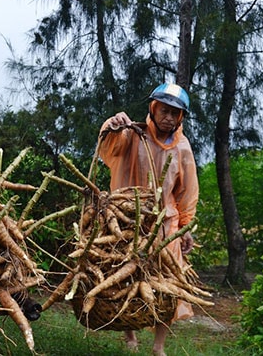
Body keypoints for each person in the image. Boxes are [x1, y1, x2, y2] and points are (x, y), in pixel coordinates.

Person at [97, 83, 199, 356]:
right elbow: (108, 146)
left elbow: (187, 189)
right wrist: (113, 123)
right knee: (124, 278)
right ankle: (129, 335)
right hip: (127, 217)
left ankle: (158, 346)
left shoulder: (183, 148)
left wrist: (186, 225)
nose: (168, 117)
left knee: (168, 282)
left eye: (174, 113)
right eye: (164, 110)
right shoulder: (133, 135)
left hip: (165, 222)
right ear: (153, 109)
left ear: (181, 118)